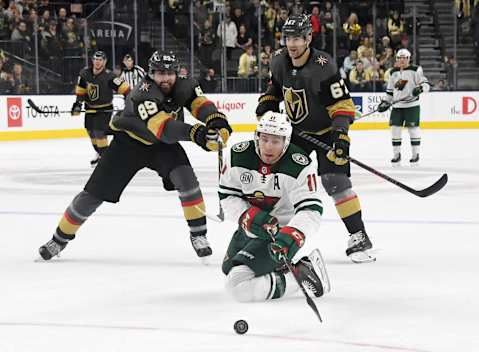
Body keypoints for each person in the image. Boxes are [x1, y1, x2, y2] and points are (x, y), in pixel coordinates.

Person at [38, 50, 233, 262]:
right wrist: (198, 134)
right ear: (150, 73)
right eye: (159, 73)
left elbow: (200, 104)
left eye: (169, 73)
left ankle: (199, 236)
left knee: (187, 181)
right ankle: (58, 239)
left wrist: (216, 121)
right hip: (128, 143)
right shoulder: (143, 92)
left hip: (161, 146)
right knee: (93, 195)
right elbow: (163, 128)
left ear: (177, 73)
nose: (165, 77)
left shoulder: (185, 84)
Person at [255, 14, 375, 263]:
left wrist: (340, 137)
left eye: (298, 37)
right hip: (296, 133)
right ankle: (272, 234)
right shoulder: (278, 60)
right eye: (288, 37)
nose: (292, 43)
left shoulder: (323, 65)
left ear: (309, 37)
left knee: (335, 180)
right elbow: (275, 89)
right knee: (279, 179)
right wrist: (267, 105)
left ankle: (359, 234)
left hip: (326, 131)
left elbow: (341, 105)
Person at [220, 112, 330, 302]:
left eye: (276, 141)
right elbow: (227, 195)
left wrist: (292, 235)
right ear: (257, 137)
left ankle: (300, 277)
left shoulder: (299, 164)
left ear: (286, 142)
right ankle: (285, 268)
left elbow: (311, 209)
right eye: (264, 139)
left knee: (238, 287)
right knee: (228, 268)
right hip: (252, 227)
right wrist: (245, 216)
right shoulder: (237, 156)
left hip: (279, 235)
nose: (268, 147)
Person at [72, 51, 130, 166]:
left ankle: (106, 159)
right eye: (96, 59)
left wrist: (129, 101)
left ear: (104, 62)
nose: (97, 62)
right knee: (90, 132)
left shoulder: (110, 76)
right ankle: (100, 153)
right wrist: (78, 104)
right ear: (92, 60)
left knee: (99, 132)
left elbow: (125, 89)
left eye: (100, 60)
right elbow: (81, 90)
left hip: (104, 109)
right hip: (90, 108)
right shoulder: (85, 74)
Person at [377, 48, 430, 165]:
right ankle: (397, 155)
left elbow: (426, 84)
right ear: (396, 59)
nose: (402, 60)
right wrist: (384, 102)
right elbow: (390, 91)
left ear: (408, 59)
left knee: (413, 130)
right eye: (399, 58)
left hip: (412, 105)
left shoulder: (416, 70)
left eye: (404, 58)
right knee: (395, 130)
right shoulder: (393, 72)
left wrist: (420, 89)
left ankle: (415, 154)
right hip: (397, 106)